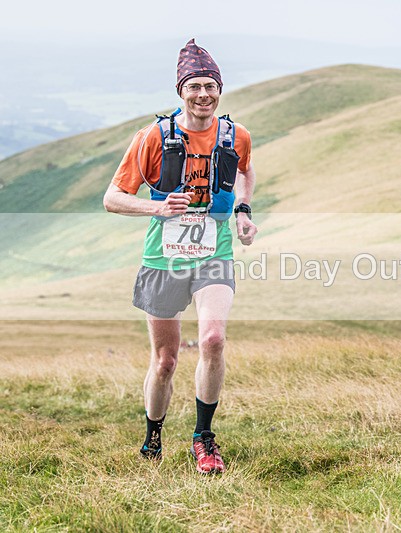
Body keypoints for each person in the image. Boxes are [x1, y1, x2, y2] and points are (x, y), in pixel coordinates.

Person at [103, 39, 258, 474]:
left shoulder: (236, 135)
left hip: (215, 249)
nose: (203, 94)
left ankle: (203, 438)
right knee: (166, 360)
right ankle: (154, 431)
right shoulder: (152, 137)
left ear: (220, 90)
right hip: (163, 256)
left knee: (212, 339)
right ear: (181, 91)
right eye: (195, 86)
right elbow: (112, 198)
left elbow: (246, 171)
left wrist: (243, 212)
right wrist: (157, 206)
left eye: (211, 86)